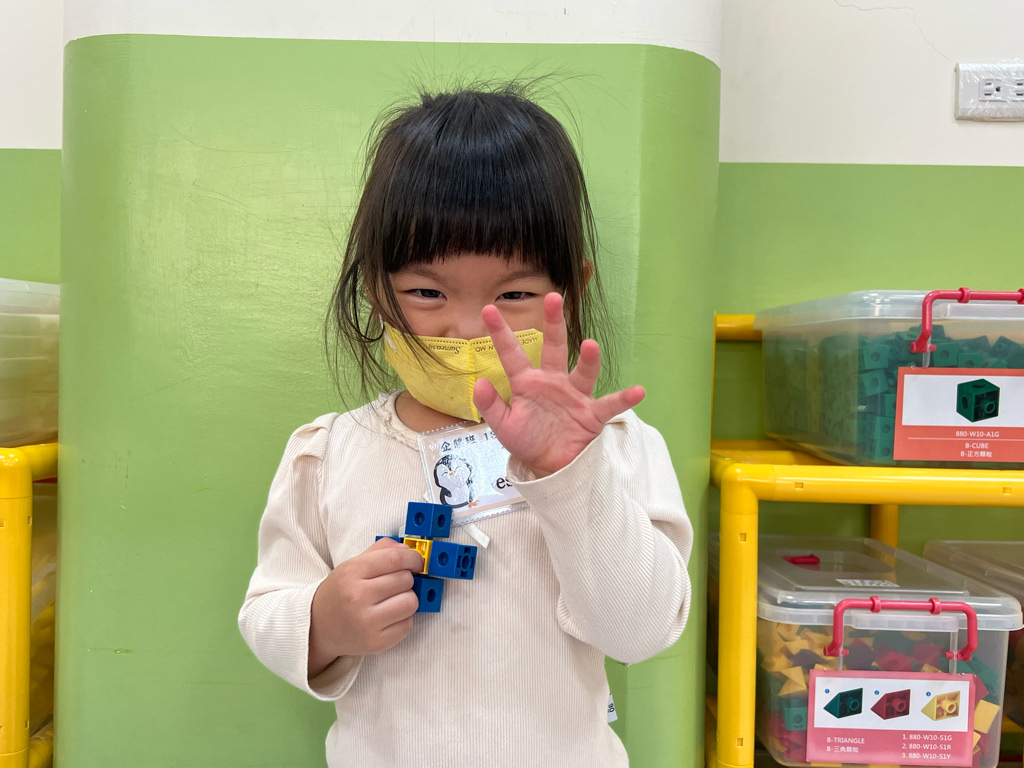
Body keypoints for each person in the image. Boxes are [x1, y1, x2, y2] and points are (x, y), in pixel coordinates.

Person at [238, 84, 693, 768]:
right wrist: (324, 622)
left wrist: (569, 476)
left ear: (572, 289)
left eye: (514, 294)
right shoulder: (328, 453)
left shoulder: (618, 445)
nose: (467, 328)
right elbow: (267, 608)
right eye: (427, 292)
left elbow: (642, 631)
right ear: (376, 290)